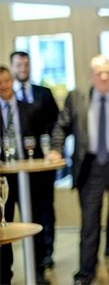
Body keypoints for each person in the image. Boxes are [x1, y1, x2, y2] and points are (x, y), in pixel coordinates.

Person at [49, 55, 109, 285]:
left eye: (107, 72)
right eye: (98, 72)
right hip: (90, 167)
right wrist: (55, 149)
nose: (103, 76)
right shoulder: (77, 97)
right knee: (89, 223)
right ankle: (86, 273)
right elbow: (61, 125)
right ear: (91, 75)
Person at [0, 66, 52, 285]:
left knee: (34, 220)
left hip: (28, 176)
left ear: (12, 80)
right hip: (3, 178)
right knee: (5, 226)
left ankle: (38, 269)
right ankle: (5, 274)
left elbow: (43, 138)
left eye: (6, 80)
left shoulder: (29, 109)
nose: (3, 85)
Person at [9, 51, 60, 269]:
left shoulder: (43, 93)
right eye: (19, 65)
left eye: (26, 64)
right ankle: (32, 257)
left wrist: (54, 150)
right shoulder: (7, 96)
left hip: (41, 165)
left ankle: (47, 253)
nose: (23, 68)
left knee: (45, 209)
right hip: (14, 169)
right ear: (12, 67)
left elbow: (56, 124)